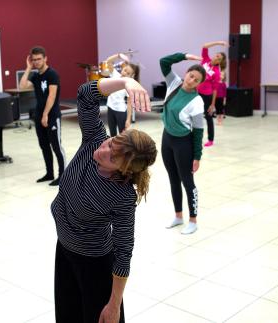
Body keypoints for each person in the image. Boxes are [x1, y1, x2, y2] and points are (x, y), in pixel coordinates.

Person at [51, 77, 157, 323]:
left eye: (112, 157)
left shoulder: (121, 196)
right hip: (65, 249)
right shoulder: (94, 140)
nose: (104, 150)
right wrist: (125, 81)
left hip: (94, 263)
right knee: (67, 316)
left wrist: (115, 303)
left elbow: (123, 252)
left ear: (124, 170)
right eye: (112, 143)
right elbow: (84, 94)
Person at [160, 52, 205, 234]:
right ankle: (178, 216)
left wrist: (197, 156)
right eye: (191, 75)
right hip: (167, 138)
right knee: (173, 179)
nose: (192, 80)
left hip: (183, 143)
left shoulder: (197, 101)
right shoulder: (174, 82)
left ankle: (193, 220)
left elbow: (198, 132)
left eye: (196, 80)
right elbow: (163, 61)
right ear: (186, 73)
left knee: (187, 181)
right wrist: (184, 55)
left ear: (199, 85)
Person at [19, 46, 65, 186]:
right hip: (39, 116)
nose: (37, 62)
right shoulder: (35, 76)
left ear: (45, 58)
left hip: (51, 115)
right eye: (34, 60)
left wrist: (45, 115)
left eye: (39, 59)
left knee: (56, 146)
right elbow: (22, 86)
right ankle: (49, 173)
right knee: (44, 145)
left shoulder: (52, 74)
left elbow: (52, 96)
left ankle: (63, 175)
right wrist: (28, 68)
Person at [197, 41, 228, 147]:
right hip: (196, 92)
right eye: (217, 55)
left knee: (208, 116)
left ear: (220, 62)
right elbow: (204, 46)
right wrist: (219, 43)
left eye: (219, 59)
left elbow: (215, 89)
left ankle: (210, 139)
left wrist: (212, 104)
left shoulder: (217, 72)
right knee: (193, 114)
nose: (216, 58)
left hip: (207, 95)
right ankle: (194, 137)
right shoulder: (205, 60)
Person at [104, 53, 140, 137]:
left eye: (128, 73)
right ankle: (113, 149)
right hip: (110, 108)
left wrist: (128, 119)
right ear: (123, 67)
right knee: (112, 134)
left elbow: (129, 103)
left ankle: (122, 149)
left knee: (122, 136)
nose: (124, 73)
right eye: (125, 70)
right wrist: (119, 55)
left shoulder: (128, 85)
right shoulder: (114, 74)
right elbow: (108, 61)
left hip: (121, 111)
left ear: (131, 76)